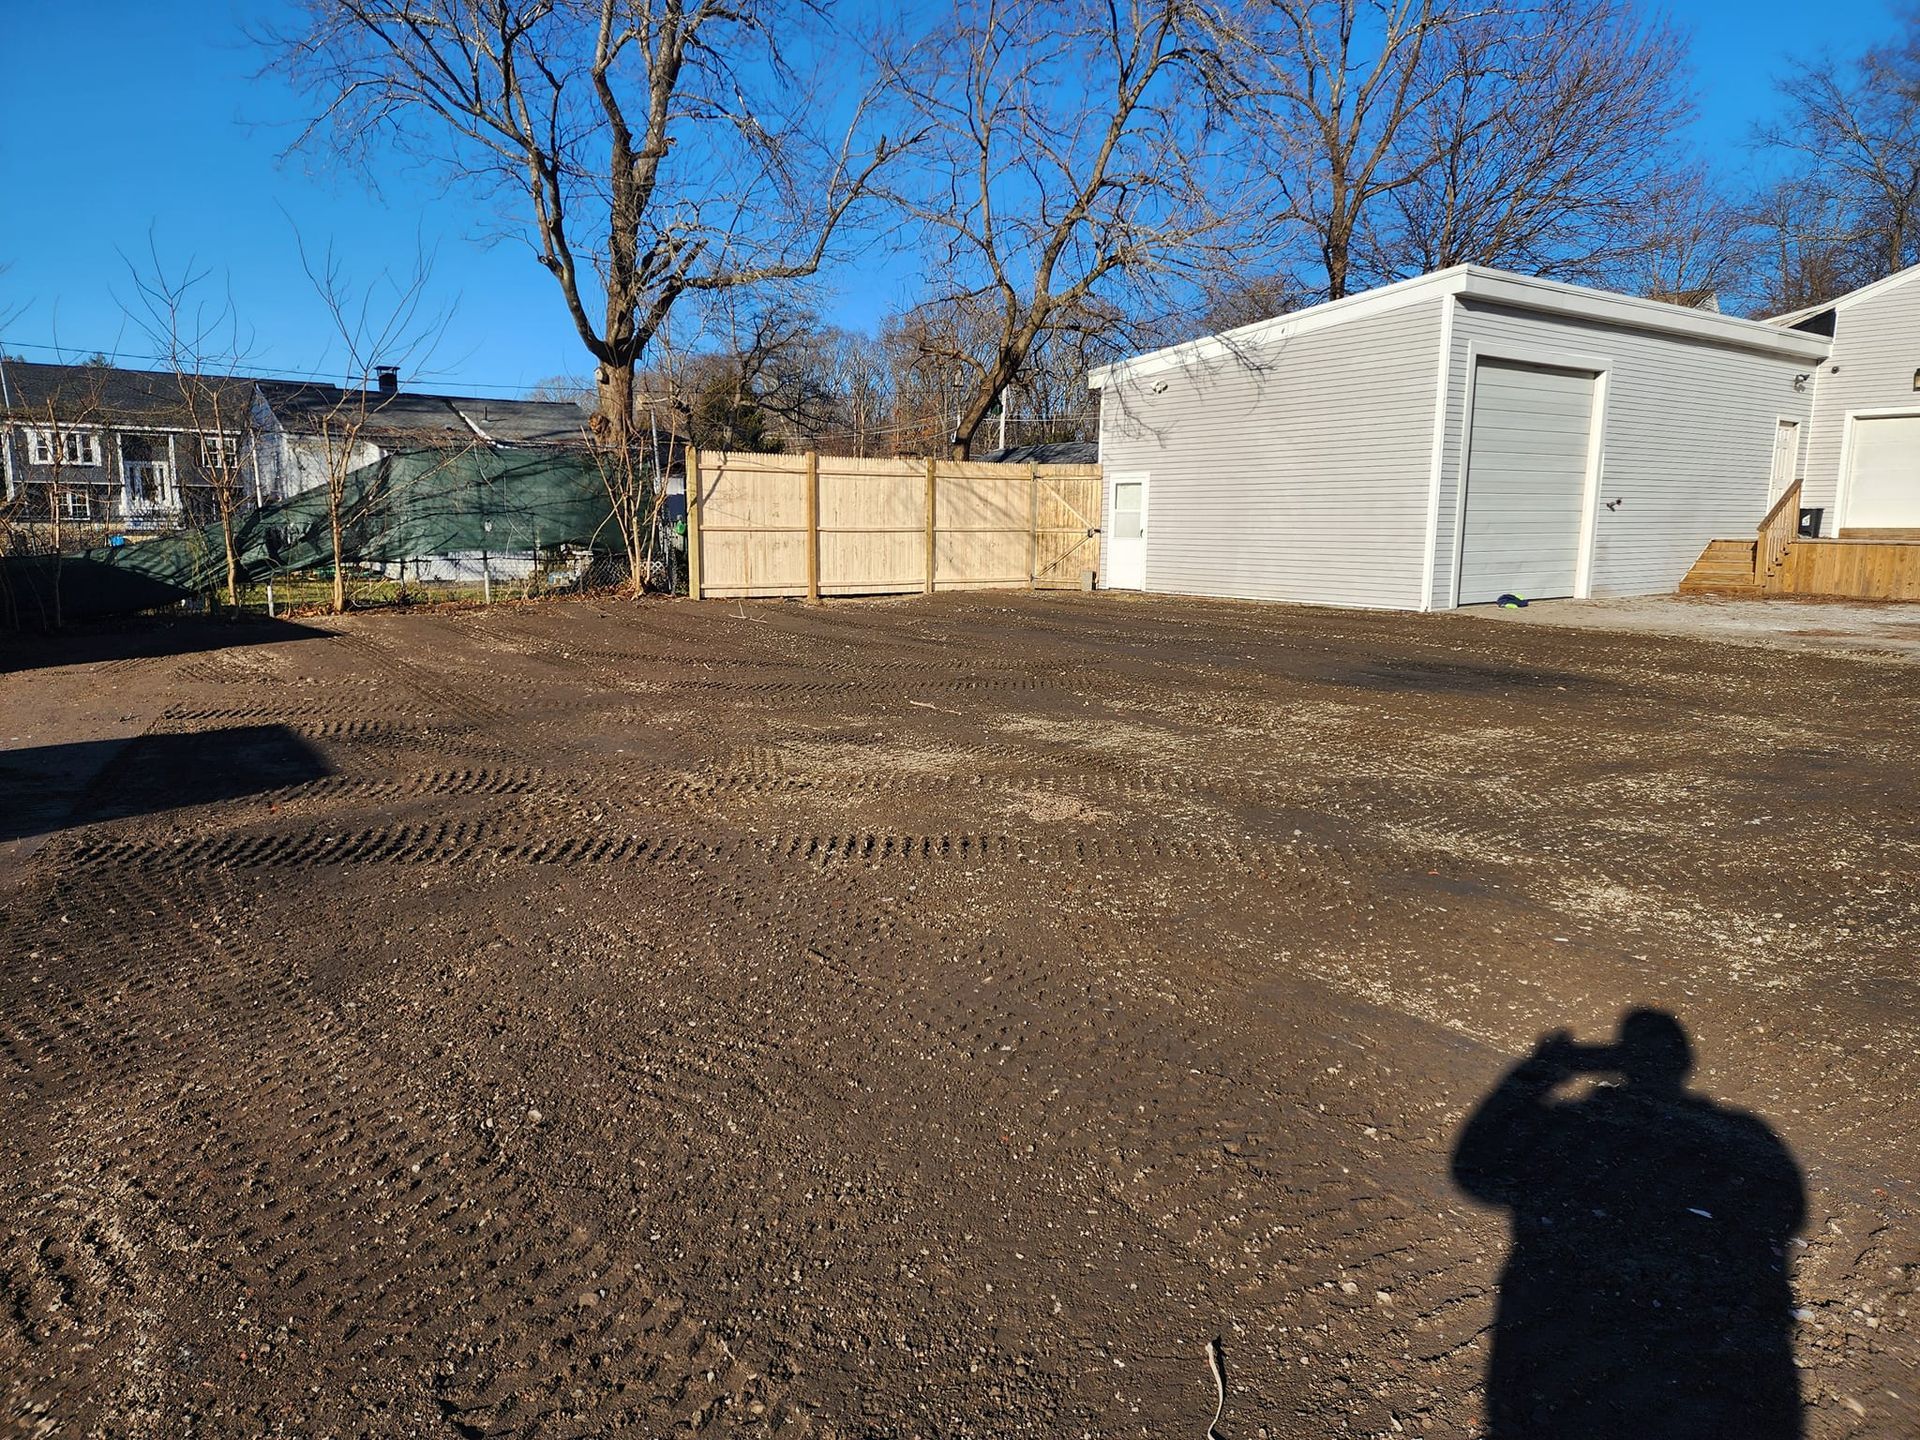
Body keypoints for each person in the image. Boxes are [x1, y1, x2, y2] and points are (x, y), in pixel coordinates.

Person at [1452, 1010, 1805, 1439]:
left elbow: (1475, 1168)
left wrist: (1542, 1070)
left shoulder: (1569, 1129)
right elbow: (1787, 1211)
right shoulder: (1740, 1136)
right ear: (1684, 1064)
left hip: (1557, 1378)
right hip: (1688, 1386)